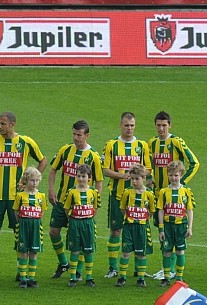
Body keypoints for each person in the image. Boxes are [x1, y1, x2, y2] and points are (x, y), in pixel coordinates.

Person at [0, 112, 46, 282]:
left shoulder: (25, 142)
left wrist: (31, 181)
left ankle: (21, 272)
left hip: (18, 197)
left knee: (20, 232)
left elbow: (43, 161)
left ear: (12, 124)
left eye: (3, 124)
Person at [46, 120, 104, 280]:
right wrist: (51, 190)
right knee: (53, 231)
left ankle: (77, 271)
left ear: (87, 135)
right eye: (74, 134)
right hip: (62, 200)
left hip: (82, 206)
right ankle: (64, 262)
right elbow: (53, 170)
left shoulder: (94, 156)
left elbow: (99, 181)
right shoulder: (65, 150)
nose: (76, 138)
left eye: (79, 135)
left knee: (79, 237)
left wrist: (94, 203)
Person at [102, 112, 152, 278]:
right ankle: (113, 267)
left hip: (138, 198)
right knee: (116, 231)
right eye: (126, 125)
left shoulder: (142, 146)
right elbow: (105, 169)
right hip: (117, 195)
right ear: (120, 125)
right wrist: (123, 176)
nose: (129, 128)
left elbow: (148, 169)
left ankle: (139, 269)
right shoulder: (111, 145)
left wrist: (140, 177)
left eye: (132, 125)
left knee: (139, 231)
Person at [116, 164, 155, 288]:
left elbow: (152, 211)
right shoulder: (127, 192)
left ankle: (141, 278)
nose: (134, 181)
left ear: (143, 178)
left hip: (142, 227)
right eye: (132, 178)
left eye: (136, 179)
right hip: (128, 226)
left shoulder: (149, 194)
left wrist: (142, 218)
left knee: (141, 253)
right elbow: (122, 208)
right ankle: (122, 277)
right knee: (126, 252)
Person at [156, 160, 194, 285]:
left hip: (181, 226)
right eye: (171, 175)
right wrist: (161, 228)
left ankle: (179, 278)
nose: (173, 178)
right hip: (167, 226)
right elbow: (161, 210)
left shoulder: (186, 191)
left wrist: (189, 228)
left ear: (181, 175)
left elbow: (189, 210)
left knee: (180, 251)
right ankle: (166, 278)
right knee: (166, 251)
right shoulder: (163, 192)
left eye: (176, 175)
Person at [63, 164, 99, 288]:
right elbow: (66, 207)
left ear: (89, 177)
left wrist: (88, 217)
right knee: (75, 250)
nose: (81, 179)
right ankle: (73, 277)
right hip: (75, 223)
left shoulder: (93, 192)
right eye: (79, 176)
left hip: (88, 223)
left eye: (83, 176)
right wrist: (73, 219)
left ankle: (89, 277)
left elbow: (96, 207)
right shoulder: (72, 191)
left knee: (88, 251)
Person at [13, 166, 46, 288]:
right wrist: (22, 221)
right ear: (26, 180)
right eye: (32, 180)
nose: (35, 183)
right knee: (23, 251)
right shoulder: (20, 195)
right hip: (23, 225)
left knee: (34, 251)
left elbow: (42, 212)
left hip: (36, 225)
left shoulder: (41, 196)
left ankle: (31, 278)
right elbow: (16, 211)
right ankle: (22, 278)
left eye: (37, 180)